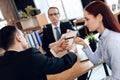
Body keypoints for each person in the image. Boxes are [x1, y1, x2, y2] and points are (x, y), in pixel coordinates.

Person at [0, 25, 77, 80]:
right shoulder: (30, 55)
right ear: (18, 37)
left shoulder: (2, 61)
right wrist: (72, 52)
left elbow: (39, 63)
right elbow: (60, 64)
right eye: (23, 36)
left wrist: (55, 49)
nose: (25, 39)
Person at [74, 1, 120, 80]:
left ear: (99, 17)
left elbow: (117, 77)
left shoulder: (112, 41)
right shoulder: (103, 38)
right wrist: (84, 45)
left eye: (87, 19)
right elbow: (96, 60)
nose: (85, 24)